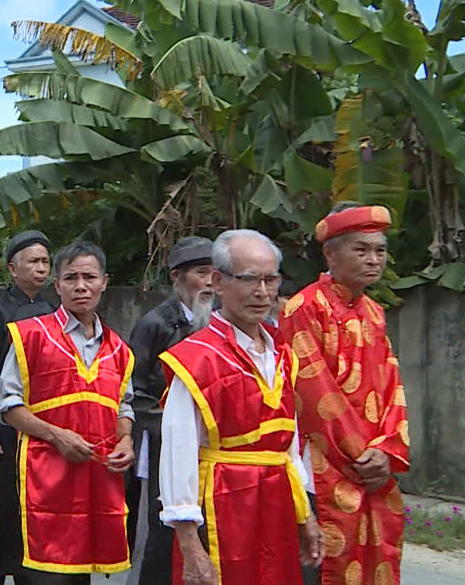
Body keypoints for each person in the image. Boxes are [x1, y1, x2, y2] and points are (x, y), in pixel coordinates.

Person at [159, 230, 323, 585]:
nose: (262, 292)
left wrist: (305, 514)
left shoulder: (282, 355)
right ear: (218, 282)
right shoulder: (195, 358)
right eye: (249, 279)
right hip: (222, 505)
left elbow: (288, 446)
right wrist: (190, 544)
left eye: (270, 279)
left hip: (277, 503)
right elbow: (177, 455)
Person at [279, 204, 409, 585]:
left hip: (370, 464)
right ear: (330, 254)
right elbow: (313, 393)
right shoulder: (304, 308)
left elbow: (391, 386)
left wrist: (386, 450)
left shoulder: (374, 312)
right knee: (319, 567)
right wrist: (360, 456)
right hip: (321, 466)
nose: (373, 260)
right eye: (361, 250)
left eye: (380, 251)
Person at [0, 242, 136, 581]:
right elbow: (7, 405)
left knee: (81, 573)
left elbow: (123, 406)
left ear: (104, 282)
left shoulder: (119, 350)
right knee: (45, 572)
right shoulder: (31, 336)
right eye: (70, 278)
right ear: (57, 286)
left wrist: (126, 440)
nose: (81, 286)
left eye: (89, 277)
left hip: (98, 482)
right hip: (45, 479)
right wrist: (56, 436)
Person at [125, 236, 213, 583]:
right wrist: (172, 426)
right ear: (177, 277)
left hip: (211, 443)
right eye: (201, 273)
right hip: (165, 440)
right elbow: (136, 388)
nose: (209, 282)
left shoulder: (220, 319)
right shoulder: (155, 324)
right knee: (162, 527)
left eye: (214, 273)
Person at [0, 230, 55, 584]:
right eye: (33, 262)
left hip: (43, 427)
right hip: (7, 431)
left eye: (45, 262)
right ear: (12, 268)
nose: (41, 269)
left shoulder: (55, 309)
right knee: (3, 512)